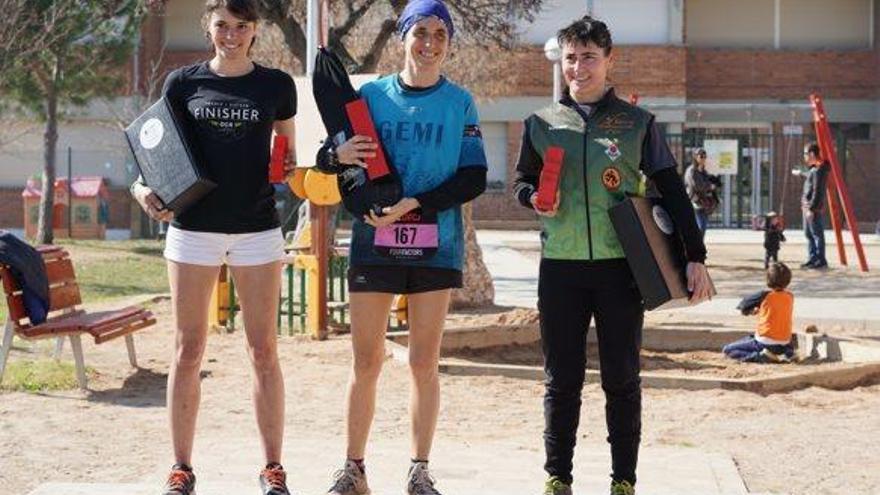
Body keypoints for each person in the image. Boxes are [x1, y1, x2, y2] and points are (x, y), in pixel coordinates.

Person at [512, 16, 712, 495]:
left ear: (609, 60)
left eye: (589, 58)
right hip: (560, 268)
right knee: (561, 380)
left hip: (621, 269)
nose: (578, 68)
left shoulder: (637, 124)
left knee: (622, 378)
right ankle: (557, 477)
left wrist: (695, 254)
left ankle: (624, 480)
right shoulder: (539, 124)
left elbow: (671, 191)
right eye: (571, 58)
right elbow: (523, 181)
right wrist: (531, 199)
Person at [314, 1, 487, 494]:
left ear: (449, 42)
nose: (429, 43)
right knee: (365, 361)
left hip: (436, 245)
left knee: (422, 363)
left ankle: (419, 470)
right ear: (402, 36)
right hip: (374, 244)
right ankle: (353, 468)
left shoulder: (460, 103)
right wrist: (334, 156)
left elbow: (473, 176)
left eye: (439, 34)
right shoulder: (370, 96)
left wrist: (414, 202)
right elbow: (338, 165)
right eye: (420, 32)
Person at [129, 1, 297, 494]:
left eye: (241, 26)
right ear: (209, 26)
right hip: (193, 228)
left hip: (257, 230)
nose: (231, 34)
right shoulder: (181, 84)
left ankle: (273, 470)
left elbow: (286, 150)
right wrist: (143, 191)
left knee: (263, 349)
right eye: (222, 24)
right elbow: (154, 154)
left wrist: (286, 166)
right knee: (188, 349)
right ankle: (181, 469)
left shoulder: (276, 85)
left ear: (254, 30)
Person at [723, 263, 795, 363]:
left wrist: (750, 311)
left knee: (728, 350)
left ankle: (759, 356)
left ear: (768, 279)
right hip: (785, 342)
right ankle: (789, 353)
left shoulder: (764, 295)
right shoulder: (790, 296)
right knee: (749, 337)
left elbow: (743, 305)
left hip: (765, 343)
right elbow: (775, 309)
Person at [797, 142, 829, 269]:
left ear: (811, 154)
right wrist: (800, 173)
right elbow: (810, 176)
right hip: (806, 206)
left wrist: (812, 209)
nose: (804, 157)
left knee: (816, 234)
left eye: (805, 154)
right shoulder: (814, 169)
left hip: (812, 208)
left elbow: (818, 191)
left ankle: (820, 259)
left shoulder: (819, 170)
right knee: (809, 235)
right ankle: (812, 258)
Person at [683, 147, 721, 236]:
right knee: (700, 226)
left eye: (705, 156)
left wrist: (713, 183)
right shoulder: (691, 171)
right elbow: (695, 185)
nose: (703, 159)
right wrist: (710, 186)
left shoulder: (703, 171)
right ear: (695, 157)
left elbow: (707, 182)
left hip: (703, 201)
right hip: (694, 200)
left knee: (702, 226)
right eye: (701, 156)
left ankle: (698, 246)